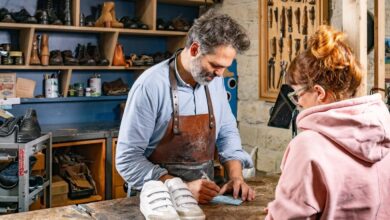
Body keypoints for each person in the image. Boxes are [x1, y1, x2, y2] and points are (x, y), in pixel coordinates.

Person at [116, 10, 255, 204]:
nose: (220, 74)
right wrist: (181, 188)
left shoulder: (214, 81)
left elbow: (227, 132)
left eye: (225, 66)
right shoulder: (150, 85)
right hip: (158, 202)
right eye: (215, 65)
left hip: (204, 200)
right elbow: (127, 160)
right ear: (194, 49)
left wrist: (236, 176)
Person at [265, 25, 390, 219]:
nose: (298, 104)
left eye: (297, 95)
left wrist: (280, 212)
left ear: (319, 93)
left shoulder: (308, 146)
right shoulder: (384, 131)